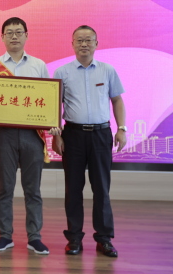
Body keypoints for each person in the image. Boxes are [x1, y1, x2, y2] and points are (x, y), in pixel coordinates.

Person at [51, 25, 126, 258]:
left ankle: (104, 239)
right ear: (72, 43)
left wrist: (121, 128)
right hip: (72, 135)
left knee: (101, 188)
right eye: (79, 40)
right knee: (73, 188)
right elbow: (54, 106)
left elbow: (117, 100)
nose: (84, 44)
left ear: (96, 43)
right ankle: (74, 238)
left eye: (88, 40)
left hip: (101, 135)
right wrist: (56, 135)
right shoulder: (62, 72)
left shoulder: (107, 70)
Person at [0, 17, 52, 255]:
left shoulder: (39, 65)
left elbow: (48, 99)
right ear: (2, 37)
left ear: (26, 35)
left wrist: (52, 122)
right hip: (4, 134)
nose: (14, 36)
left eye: (18, 32)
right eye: (9, 32)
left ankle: (35, 237)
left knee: (33, 189)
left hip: (32, 134)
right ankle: (5, 236)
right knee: (5, 187)